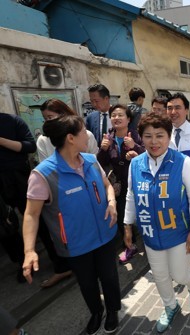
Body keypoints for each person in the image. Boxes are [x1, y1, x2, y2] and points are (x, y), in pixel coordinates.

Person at [22, 115, 121, 335]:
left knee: (110, 277)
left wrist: (112, 202)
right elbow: (31, 214)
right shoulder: (44, 174)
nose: (87, 134)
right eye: (83, 131)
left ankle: (113, 310)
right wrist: (29, 250)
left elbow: (107, 185)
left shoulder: (91, 160)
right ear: (70, 138)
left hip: (105, 234)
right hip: (75, 244)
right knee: (87, 283)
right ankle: (96, 312)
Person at [123, 111, 190, 333]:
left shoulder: (183, 162)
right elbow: (131, 195)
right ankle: (170, 306)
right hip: (149, 233)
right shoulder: (136, 164)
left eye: (160, 135)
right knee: (159, 276)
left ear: (169, 137)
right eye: (148, 136)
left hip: (178, 232)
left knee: (179, 274)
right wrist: (127, 225)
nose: (154, 141)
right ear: (141, 138)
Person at [35, 99, 100, 289]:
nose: (48, 121)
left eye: (52, 117)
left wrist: (110, 200)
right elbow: (32, 212)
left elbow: (97, 168)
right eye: (46, 118)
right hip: (61, 197)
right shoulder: (43, 149)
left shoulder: (86, 141)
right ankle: (68, 268)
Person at [97, 104, 145, 264]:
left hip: (136, 182)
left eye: (120, 115)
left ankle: (140, 239)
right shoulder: (107, 137)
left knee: (138, 214)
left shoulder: (137, 135)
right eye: (113, 115)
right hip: (117, 185)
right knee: (122, 216)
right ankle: (129, 246)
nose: (116, 118)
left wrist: (135, 149)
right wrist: (103, 149)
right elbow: (100, 163)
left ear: (128, 118)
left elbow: (149, 155)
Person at [0, 113, 36, 283]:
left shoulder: (12, 121)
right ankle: (21, 262)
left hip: (18, 178)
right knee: (5, 227)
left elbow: (30, 146)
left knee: (34, 216)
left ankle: (57, 261)